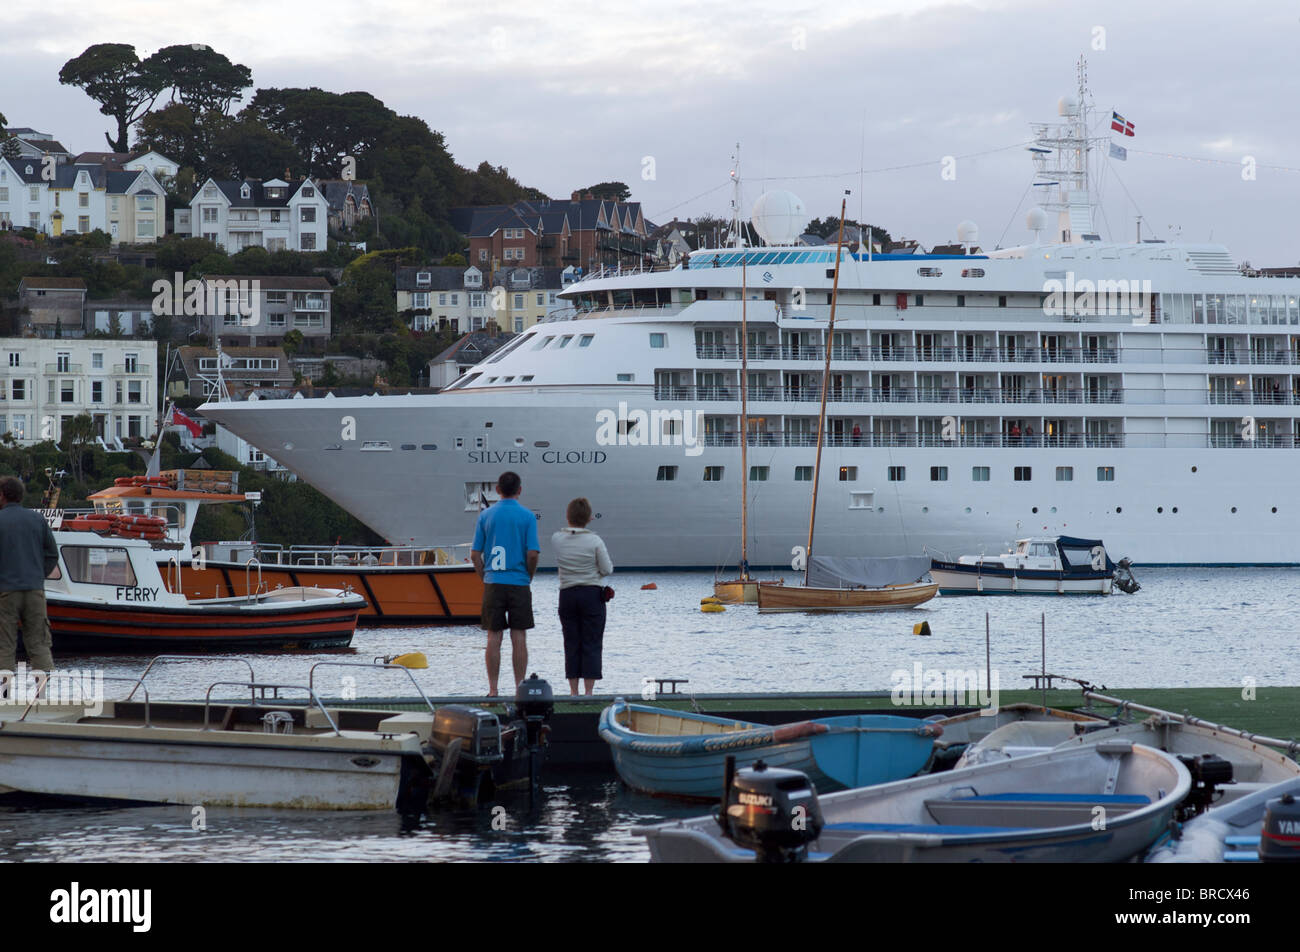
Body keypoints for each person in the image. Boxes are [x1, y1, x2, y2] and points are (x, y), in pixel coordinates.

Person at [470, 472, 539, 696]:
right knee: (519, 636)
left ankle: (492, 689)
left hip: (493, 581)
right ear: (520, 490)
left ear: (497, 490)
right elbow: (532, 554)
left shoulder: (485, 515)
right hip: (518, 581)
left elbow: (474, 554)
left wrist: (484, 577)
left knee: (493, 636)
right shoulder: (527, 517)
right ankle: (520, 688)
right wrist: (528, 577)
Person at [0, 476, 58, 697]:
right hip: (35, 590)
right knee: (39, 643)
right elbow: (52, 554)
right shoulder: (37, 519)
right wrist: (37, 576)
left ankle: (4, 697)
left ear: (2, 495)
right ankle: (42, 696)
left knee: (5, 644)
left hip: (5, 592)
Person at [551, 498, 613, 696]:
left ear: (568, 516)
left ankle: (573, 691)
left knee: (571, 642)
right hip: (591, 594)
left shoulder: (557, 539)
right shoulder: (595, 541)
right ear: (589, 518)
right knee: (592, 642)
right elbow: (607, 569)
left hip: (567, 594)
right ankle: (588, 692)